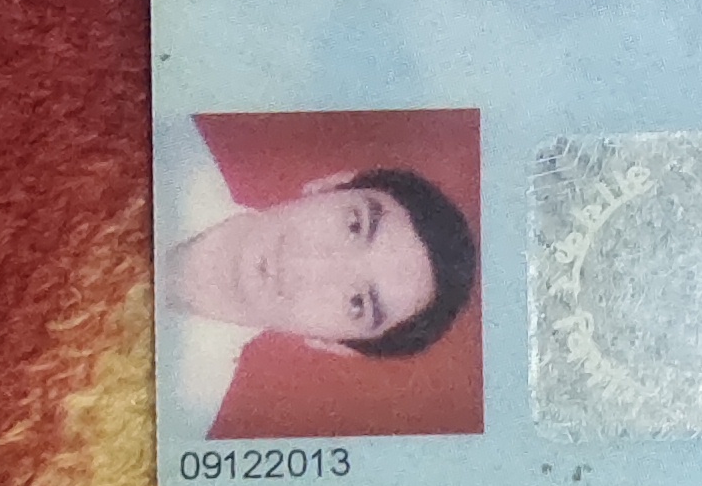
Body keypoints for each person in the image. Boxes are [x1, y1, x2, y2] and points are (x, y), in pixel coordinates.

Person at [162, 133, 477, 419]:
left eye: (357, 303)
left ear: (334, 345)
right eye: (354, 226)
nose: (309, 265)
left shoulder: (178, 413)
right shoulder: (164, 144)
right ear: (329, 185)